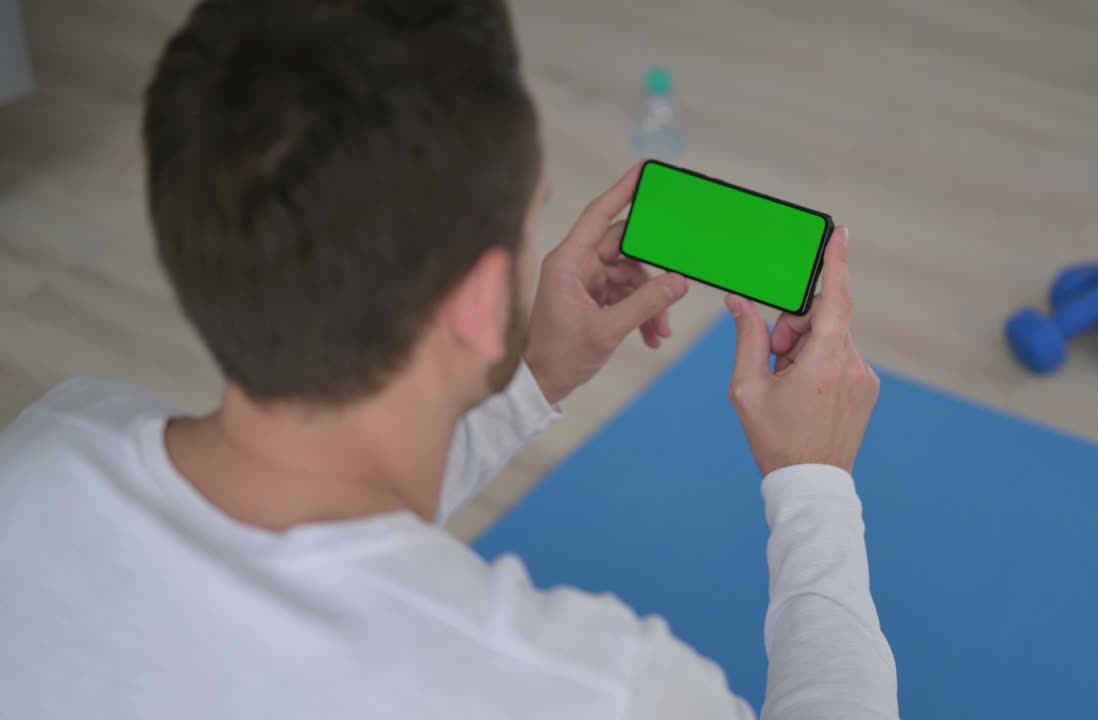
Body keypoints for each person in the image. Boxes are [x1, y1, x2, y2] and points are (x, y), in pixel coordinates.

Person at [0, 1, 897, 718]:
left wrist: (531, 376)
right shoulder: (601, 691)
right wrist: (813, 485)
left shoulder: (52, 439)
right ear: (478, 298)